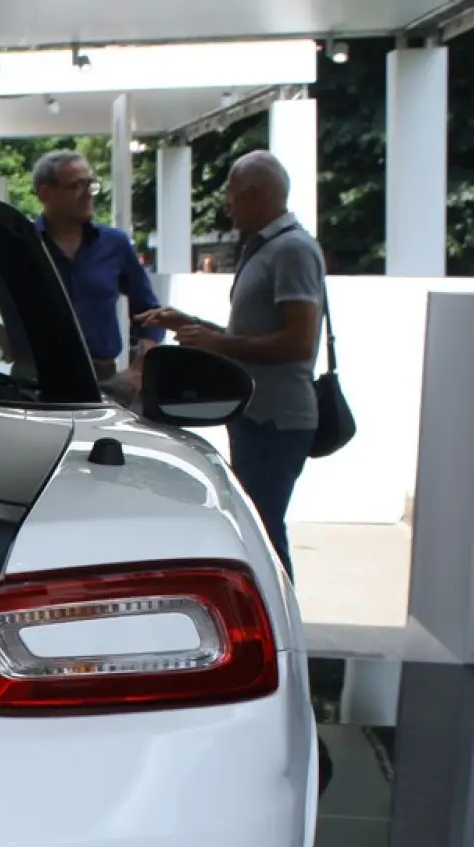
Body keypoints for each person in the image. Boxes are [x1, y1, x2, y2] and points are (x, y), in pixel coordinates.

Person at [136, 150, 324, 580]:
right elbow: (254, 332)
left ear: (253, 195)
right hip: (257, 414)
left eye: (233, 197)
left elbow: (298, 341)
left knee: (263, 532)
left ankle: (281, 630)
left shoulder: (292, 250)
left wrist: (217, 343)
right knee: (257, 528)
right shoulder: (269, 248)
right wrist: (189, 324)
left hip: (277, 418)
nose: (227, 206)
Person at [0, 149, 164, 384]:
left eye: (90, 185)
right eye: (77, 186)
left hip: (102, 379)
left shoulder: (115, 244)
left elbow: (148, 310)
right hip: (34, 379)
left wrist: (144, 354)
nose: (88, 195)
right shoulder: (18, 246)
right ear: (45, 193)